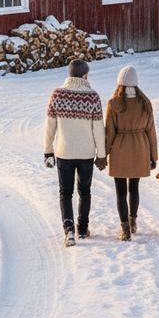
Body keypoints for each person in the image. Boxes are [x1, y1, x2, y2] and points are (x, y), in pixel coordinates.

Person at [43, 59, 107, 247]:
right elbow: (98, 129)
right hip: (86, 153)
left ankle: (69, 230)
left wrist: (48, 151)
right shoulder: (93, 97)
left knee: (65, 192)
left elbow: (49, 126)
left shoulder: (57, 94)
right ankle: (83, 228)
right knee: (85, 191)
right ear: (85, 75)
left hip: (64, 152)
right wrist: (101, 154)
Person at [104, 65, 158, 241]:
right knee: (134, 188)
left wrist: (103, 153)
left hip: (120, 148)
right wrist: (153, 156)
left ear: (120, 82)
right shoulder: (145, 103)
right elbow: (151, 130)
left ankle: (125, 229)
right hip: (140, 147)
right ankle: (133, 221)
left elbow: (109, 131)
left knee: (120, 191)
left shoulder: (114, 103)